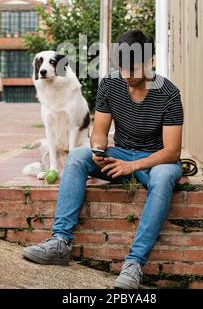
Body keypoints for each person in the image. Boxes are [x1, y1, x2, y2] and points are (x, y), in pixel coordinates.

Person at [22, 29, 184, 289]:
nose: (127, 76)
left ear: (151, 61)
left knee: (165, 176)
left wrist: (133, 165)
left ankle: (134, 264)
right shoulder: (110, 84)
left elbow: (173, 151)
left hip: (156, 161)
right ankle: (60, 241)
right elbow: (98, 132)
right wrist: (98, 149)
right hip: (120, 156)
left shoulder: (169, 94)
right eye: (122, 68)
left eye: (134, 68)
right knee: (78, 156)